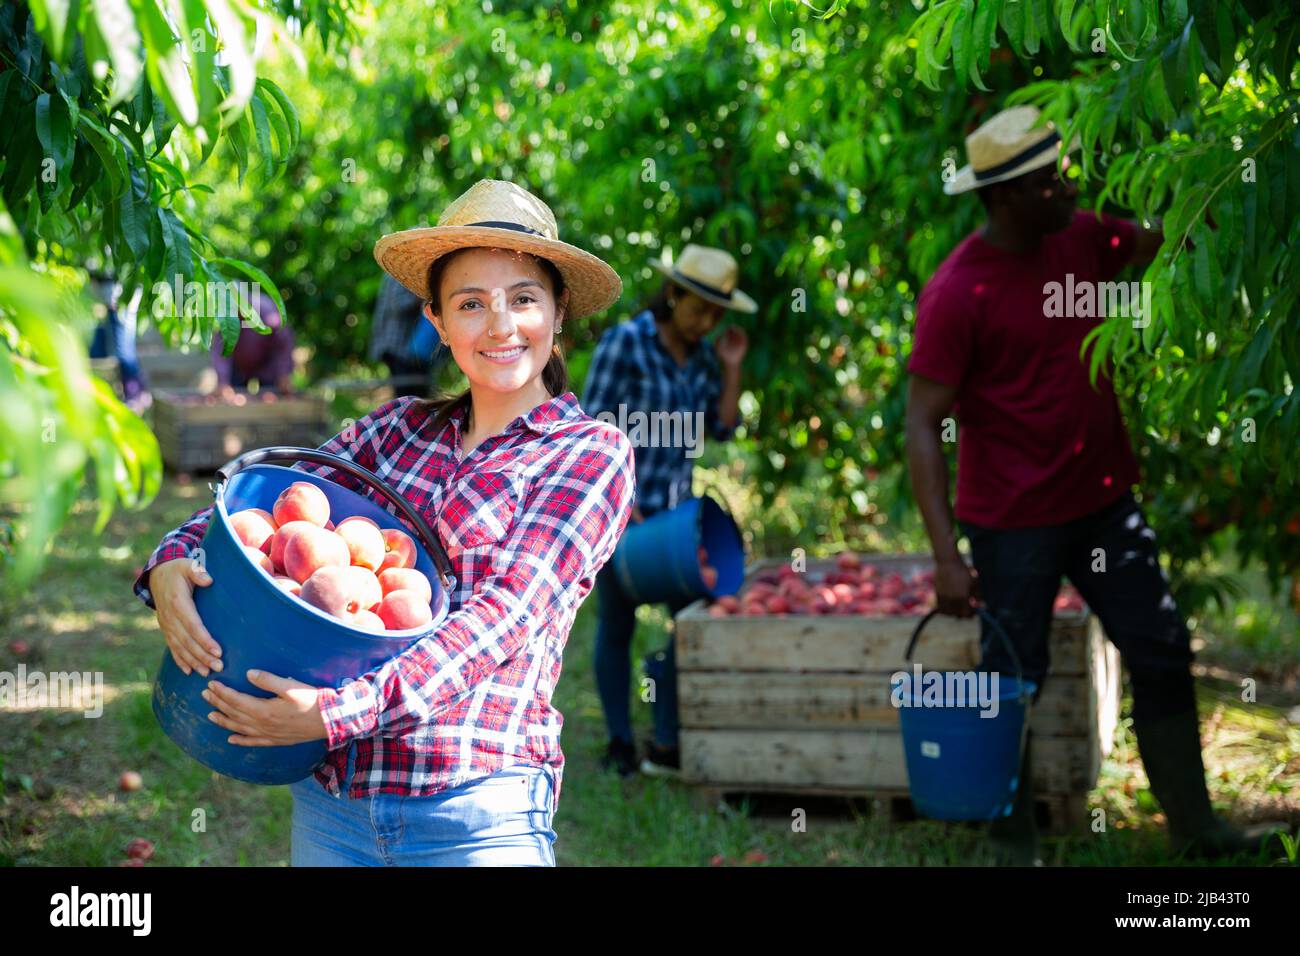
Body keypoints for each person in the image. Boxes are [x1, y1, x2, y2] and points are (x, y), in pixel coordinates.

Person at [134, 180, 634, 866]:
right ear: (435, 320)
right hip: (334, 807)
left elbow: (505, 616)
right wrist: (171, 562)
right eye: (470, 304)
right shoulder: (396, 432)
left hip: (476, 812)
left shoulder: (590, 455)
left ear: (558, 310)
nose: (499, 325)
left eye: (523, 298)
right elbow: (261, 501)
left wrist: (336, 714)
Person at [904, 104, 1277, 864]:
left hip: (1105, 502)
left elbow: (1171, 238)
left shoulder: (1079, 237)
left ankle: (1196, 830)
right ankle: (1016, 844)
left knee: (1162, 645)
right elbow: (921, 425)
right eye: (1050, 182)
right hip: (1012, 522)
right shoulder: (956, 293)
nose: (1069, 188)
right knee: (1015, 679)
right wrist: (947, 555)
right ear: (1005, 196)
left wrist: (1225, 175)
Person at [582, 244, 751, 777]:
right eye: (699, 308)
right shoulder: (626, 344)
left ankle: (670, 739)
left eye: (716, 313)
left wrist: (732, 368)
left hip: (677, 521)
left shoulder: (702, 358)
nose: (707, 322)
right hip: (624, 515)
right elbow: (593, 430)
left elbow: (721, 428)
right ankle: (619, 743)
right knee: (618, 622)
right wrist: (618, 498)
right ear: (673, 295)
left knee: (691, 623)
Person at [369, 274, 449, 398]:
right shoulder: (397, 275)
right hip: (396, 347)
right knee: (406, 396)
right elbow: (396, 304)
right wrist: (422, 296)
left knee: (419, 393)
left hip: (410, 350)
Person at [87, 269, 151, 413]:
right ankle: (127, 394)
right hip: (107, 292)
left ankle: (135, 393)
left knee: (122, 349)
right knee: (102, 351)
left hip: (119, 292)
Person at [211, 293, 296, 399]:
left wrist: (283, 373)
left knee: (273, 398)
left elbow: (283, 344)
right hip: (238, 369)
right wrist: (223, 381)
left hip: (268, 366)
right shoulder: (227, 317)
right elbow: (220, 348)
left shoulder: (266, 311)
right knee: (230, 400)